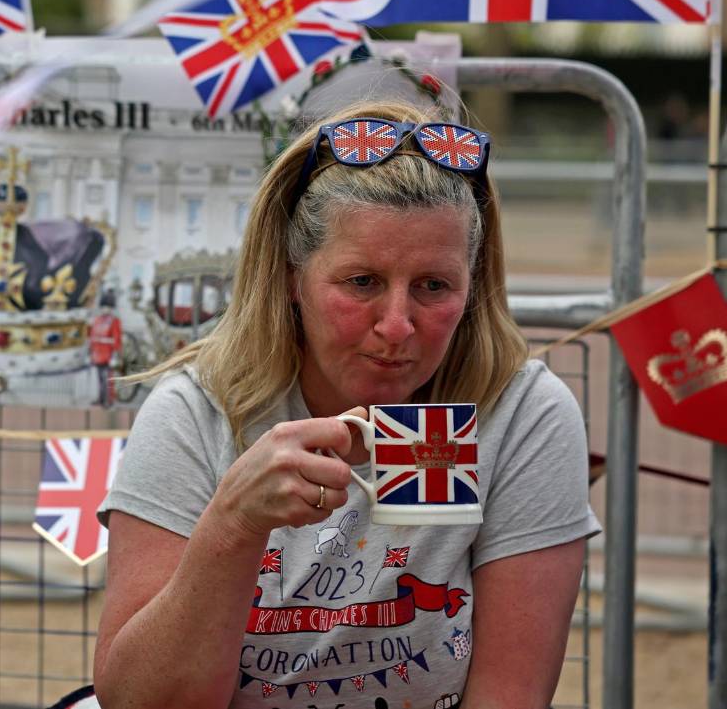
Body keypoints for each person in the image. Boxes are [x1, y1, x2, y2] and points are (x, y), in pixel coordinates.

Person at [94, 96, 599, 709]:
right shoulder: (199, 411)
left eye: (433, 287)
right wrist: (232, 527)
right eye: (361, 283)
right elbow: (138, 701)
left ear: (473, 287)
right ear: (289, 278)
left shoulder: (520, 413)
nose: (396, 325)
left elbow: (509, 696)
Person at [89, 290, 123, 406]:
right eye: (104, 306)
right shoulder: (97, 320)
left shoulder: (114, 321)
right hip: (98, 354)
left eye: (107, 306)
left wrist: (115, 355)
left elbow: (117, 338)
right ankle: (101, 398)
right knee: (100, 379)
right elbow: (93, 336)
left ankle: (109, 400)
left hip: (108, 354)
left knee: (108, 379)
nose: (105, 309)